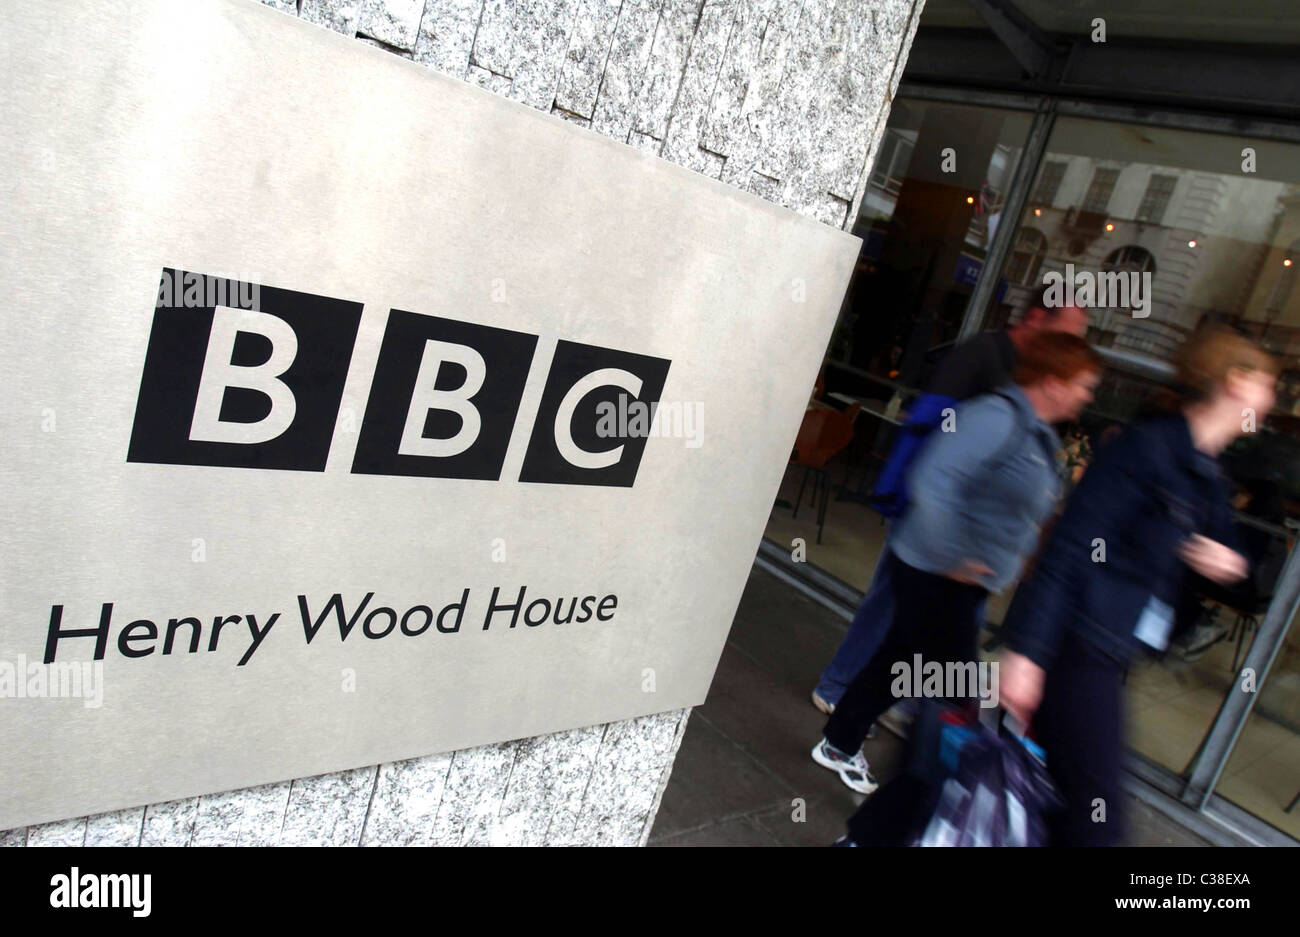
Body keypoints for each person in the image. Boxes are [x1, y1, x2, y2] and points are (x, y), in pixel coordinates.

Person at [998, 324, 1278, 846]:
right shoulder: (1146, 450)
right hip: (1079, 644)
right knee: (1098, 821)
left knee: (1074, 806)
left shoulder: (1206, 471)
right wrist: (1026, 655)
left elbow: (1237, 563)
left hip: (1115, 648)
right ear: (1236, 382)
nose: (1272, 401)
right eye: (1267, 384)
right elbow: (1070, 548)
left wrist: (1226, 561)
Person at [812, 332, 1102, 794]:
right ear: (1054, 380)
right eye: (1084, 384)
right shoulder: (996, 417)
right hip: (937, 572)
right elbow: (934, 480)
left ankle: (841, 745)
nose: (1089, 396)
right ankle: (934, 797)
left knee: (901, 661)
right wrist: (954, 557)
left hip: (958, 577)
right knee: (956, 688)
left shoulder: (1036, 433)